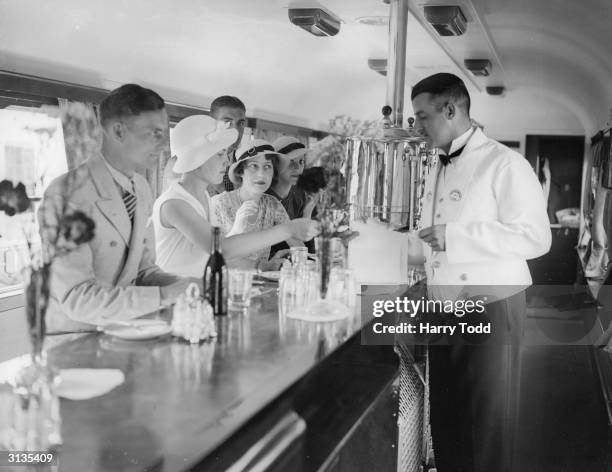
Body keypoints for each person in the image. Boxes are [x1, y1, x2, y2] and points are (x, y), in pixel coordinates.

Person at [410, 73, 551, 472]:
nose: (418, 127)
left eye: (422, 117)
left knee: (486, 423)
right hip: (444, 307)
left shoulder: (506, 163)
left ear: (450, 109)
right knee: (448, 418)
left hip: (491, 306)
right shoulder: (437, 164)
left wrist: (456, 237)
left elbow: (536, 238)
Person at [40, 84, 197, 332]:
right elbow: (77, 299)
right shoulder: (67, 194)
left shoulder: (142, 188)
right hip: (75, 338)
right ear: (118, 131)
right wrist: (165, 296)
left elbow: (143, 271)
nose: (164, 146)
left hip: (125, 328)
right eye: (154, 133)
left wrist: (189, 284)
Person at [152, 115, 319, 277]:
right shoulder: (174, 204)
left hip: (196, 296)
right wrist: (288, 229)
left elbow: (219, 258)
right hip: (173, 300)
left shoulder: (203, 197)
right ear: (197, 158)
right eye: (220, 154)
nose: (226, 161)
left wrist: (260, 266)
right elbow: (221, 248)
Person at [210, 139, 305, 270]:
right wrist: (237, 229)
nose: (261, 174)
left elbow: (299, 246)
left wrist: (291, 256)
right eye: (253, 166)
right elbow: (215, 259)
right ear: (240, 171)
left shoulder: (272, 204)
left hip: (262, 286)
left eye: (267, 167)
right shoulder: (218, 204)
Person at [207, 95, 247, 196]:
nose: (236, 131)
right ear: (211, 123)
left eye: (240, 123)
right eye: (228, 122)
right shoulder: (187, 167)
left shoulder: (246, 166)